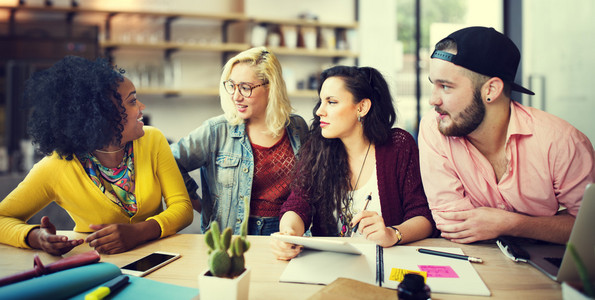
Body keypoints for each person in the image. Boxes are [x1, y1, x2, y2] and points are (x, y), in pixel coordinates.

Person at [0, 56, 193, 256]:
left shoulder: (153, 140)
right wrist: (36, 237)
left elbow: (182, 207)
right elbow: (2, 218)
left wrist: (138, 233)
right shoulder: (56, 166)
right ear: (103, 116)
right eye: (133, 101)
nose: (142, 107)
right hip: (97, 265)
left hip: (157, 260)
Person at [419, 26, 595, 244]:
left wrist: (511, 224)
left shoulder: (562, 142)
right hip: (475, 262)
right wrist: (546, 226)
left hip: (548, 272)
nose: (433, 100)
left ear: (491, 90)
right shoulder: (434, 127)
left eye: (445, 87)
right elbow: (453, 225)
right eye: (433, 85)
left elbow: (589, 229)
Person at [272, 66, 437, 260]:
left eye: (331, 102)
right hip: (330, 264)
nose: (319, 111)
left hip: (386, 262)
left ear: (362, 107)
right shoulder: (317, 147)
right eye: (321, 101)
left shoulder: (399, 146)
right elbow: (298, 204)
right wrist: (288, 233)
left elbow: (423, 216)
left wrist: (393, 234)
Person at [170, 47, 308, 236]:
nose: (235, 96)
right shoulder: (216, 130)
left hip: (286, 233)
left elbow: (306, 186)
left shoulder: (297, 127)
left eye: (245, 87)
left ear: (271, 87)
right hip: (232, 235)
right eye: (232, 86)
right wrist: (200, 205)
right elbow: (169, 161)